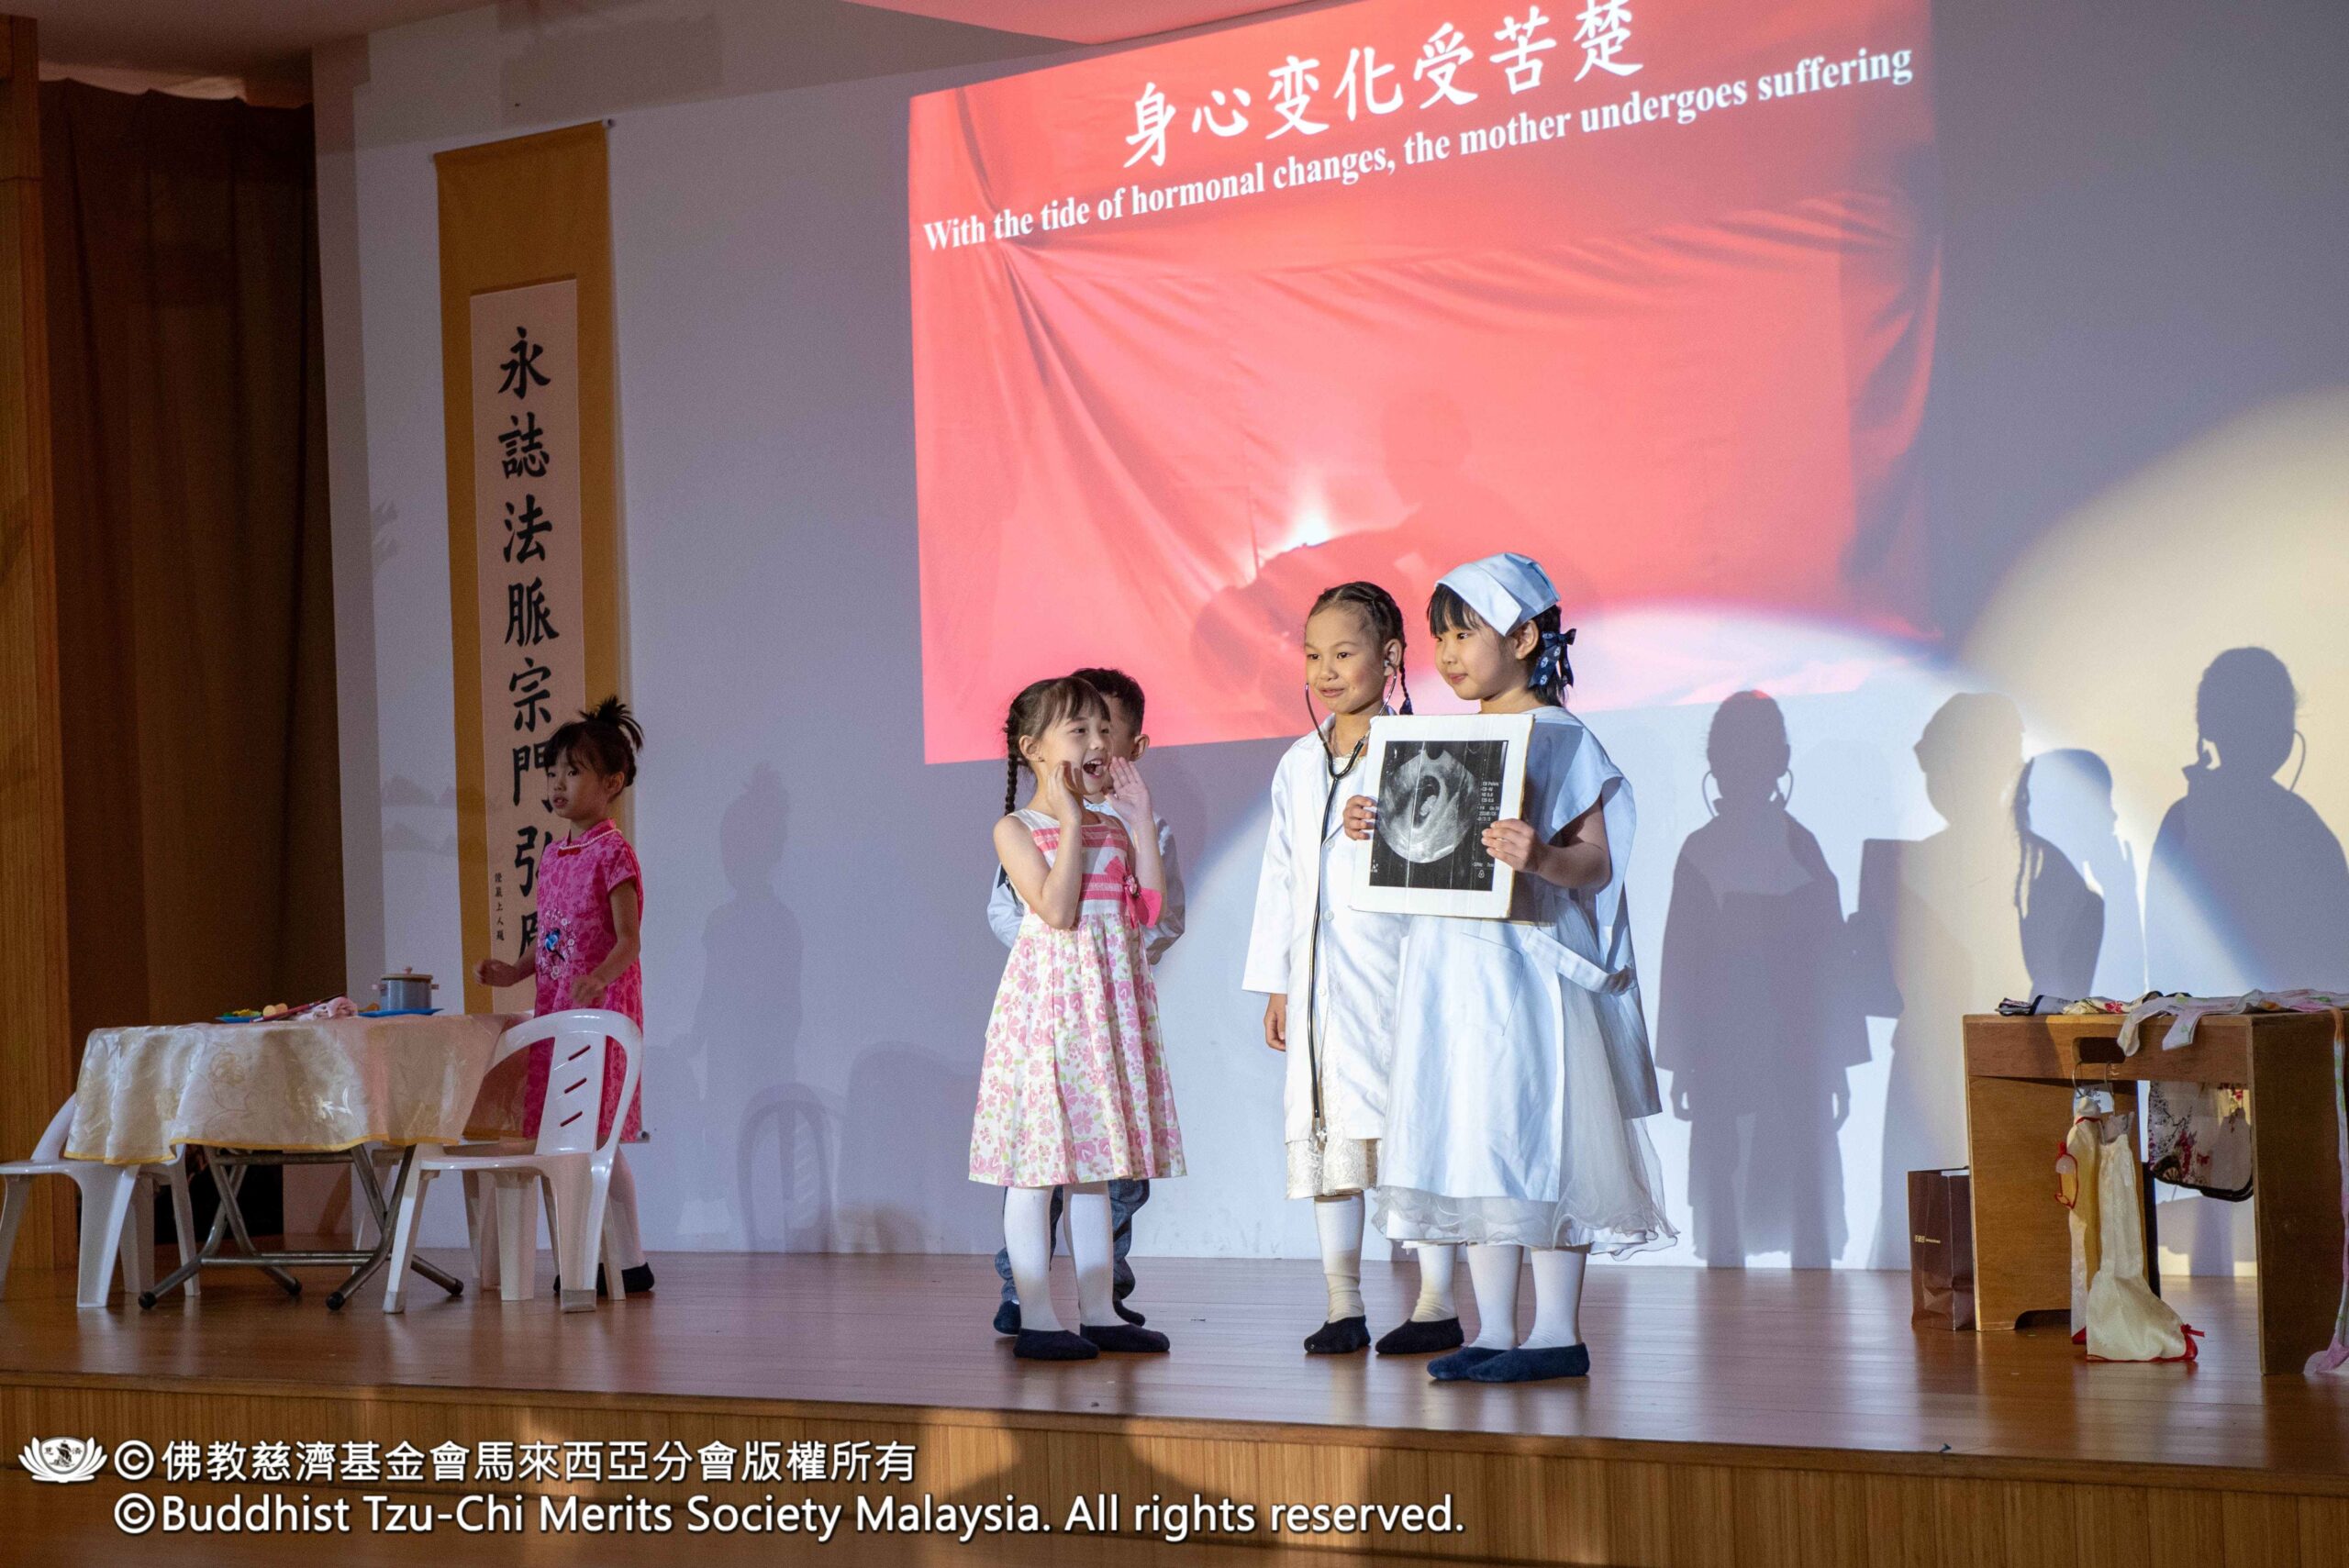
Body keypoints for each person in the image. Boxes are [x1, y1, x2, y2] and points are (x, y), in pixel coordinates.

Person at [1348, 553, 1672, 1383]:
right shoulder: (1439, 742)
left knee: (1539, 1135)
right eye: (1441, 639)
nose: (1449, 654)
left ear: (1524, 637)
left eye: (1466, 634)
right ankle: (1493, 1327)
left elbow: (1596, 862)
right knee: (1473, 1135)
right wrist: (1377, 826)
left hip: (1529, 973)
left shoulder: (1562, 738)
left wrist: (1542, 859)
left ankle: (1557, 1330)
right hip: (1451, 974)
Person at [1242, 582, 1462, 1355]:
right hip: (1319, 984)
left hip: (1398, 974)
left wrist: (1394, 829)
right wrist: (1278, 980)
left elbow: (1451, 863)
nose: (1325, 671)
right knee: (1328, 1130)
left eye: (1344, 652)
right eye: (1313, 655)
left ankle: (1437, 1301)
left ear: (1391, 654)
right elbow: (1281, 874)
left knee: (1413, 1131)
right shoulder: (1299, 762)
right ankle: (1344, 1303)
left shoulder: (1425, 748)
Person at [972, 676, 1184, 1361]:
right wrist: (1069, 821)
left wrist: (1139, 819)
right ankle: (1036, 1314)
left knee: (1096, 1165)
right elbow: (1058, 910)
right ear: (1033, 749)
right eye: (1079, 730)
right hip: (1049, 1017)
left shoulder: (1114, 824)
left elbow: (1147, 913)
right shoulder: (1016, 829)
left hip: (1103, 1010)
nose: (1098, 742)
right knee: (1037, 1168)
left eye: (1103, 729)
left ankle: (1100, 1310)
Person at [473, 696, 655, 1296]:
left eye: (572, 772)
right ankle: (604, 1263)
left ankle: (619, 1262)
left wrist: (600, 976)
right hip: (557, 1017)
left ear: (611, 783)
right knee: (569, 1139)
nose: (557, 783)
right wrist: (512, 971)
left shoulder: (613, 852)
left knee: (596, 1138)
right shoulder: (553, 854)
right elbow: (549, 936)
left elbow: (629, 939)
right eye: (553, 771)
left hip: (600, 1020)